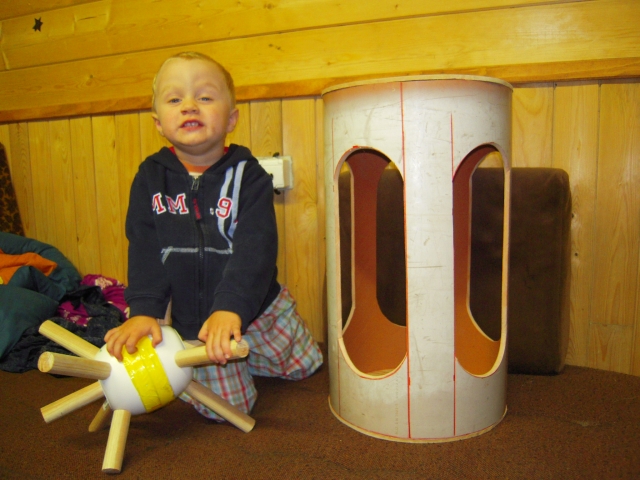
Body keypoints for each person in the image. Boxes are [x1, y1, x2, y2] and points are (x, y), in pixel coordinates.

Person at [104, 51, 322, 420]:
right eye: (175, 99)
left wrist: (231, 308)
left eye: (205, 97)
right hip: (197, 324)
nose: (190, 106)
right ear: (159, 123)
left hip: (255, 306)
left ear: (231, 118)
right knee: (229, 409)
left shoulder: (250, 176)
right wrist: (144, 312)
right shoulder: (149, 178)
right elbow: (144, 250)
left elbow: (256, 249)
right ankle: (208, 365)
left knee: (307, 365)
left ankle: (255, 353)